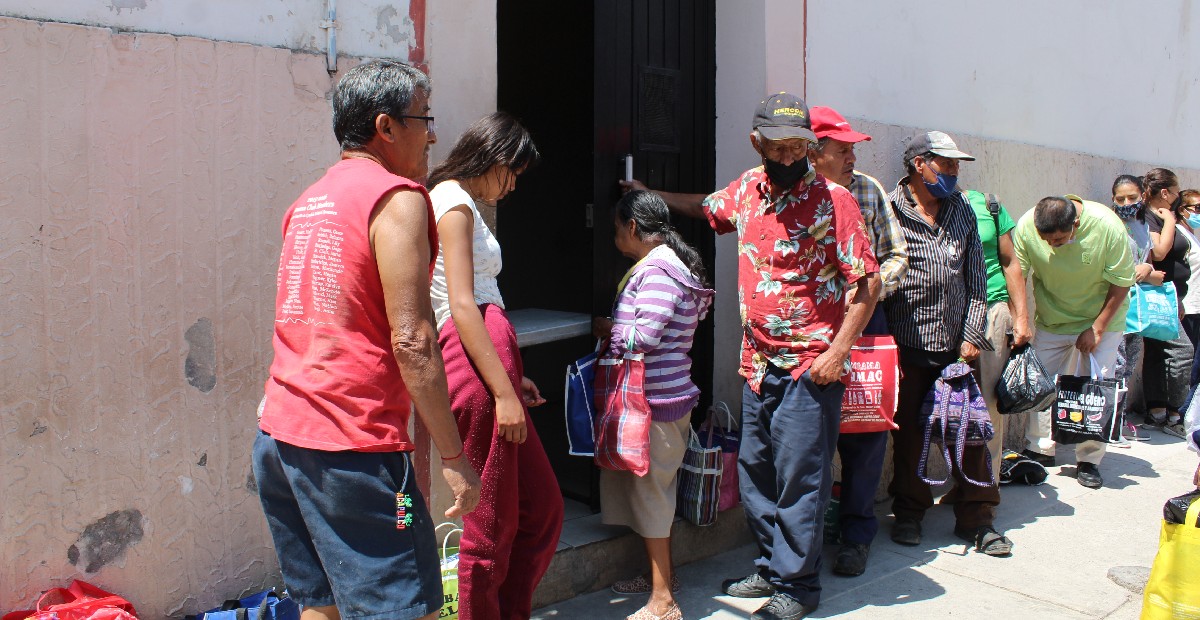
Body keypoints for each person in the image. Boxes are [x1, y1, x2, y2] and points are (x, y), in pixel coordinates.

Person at [623, 92, 881, 620]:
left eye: (797, 148)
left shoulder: (836, 201)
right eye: (777, 148)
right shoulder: (746, 191)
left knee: (800, 478)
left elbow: (868, 284)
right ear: (756, 142)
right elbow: (707, 207)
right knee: (757, 469)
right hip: (757, 365)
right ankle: (771, 565)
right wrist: (652, 195)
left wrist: (836, 353)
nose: (787, 159)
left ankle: (799, 585)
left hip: (810, 368)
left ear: (809, 146)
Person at [254, 60, 481, 620]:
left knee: (321, 607)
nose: (432, 134)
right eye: (424, 118)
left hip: (280, 443)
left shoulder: (308, 202)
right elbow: (413, 341)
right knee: (407, 608)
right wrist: (453, 455)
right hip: (357, 459)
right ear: (386, 126)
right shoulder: (398, 198)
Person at [426, 112, 563, 620]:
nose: (510, 187)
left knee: (540, 511)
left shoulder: (456, 202)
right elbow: (462, 305)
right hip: (474, 365)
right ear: (495, 158)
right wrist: (501, 392)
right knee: (492, 526)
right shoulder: (453, 202)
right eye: (512, 174)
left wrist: (510, 380)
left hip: (489, 366)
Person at [882, 131, 1010, 556]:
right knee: (911, 436)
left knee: (970, 434)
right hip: (906, 344)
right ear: (920, 164)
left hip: (958, 348)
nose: (954, 172)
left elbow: (977, 282)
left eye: (956, 166)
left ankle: (977, 519)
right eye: (946, 164)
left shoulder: (962, 211)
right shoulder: (889, 209)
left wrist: (973, 336)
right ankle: (910, 513)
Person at [592, 190, 714, 620]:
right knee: (651, 495)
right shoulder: (666, 265)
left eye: (615, 230)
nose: (614, 239)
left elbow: (644, 337)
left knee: (653, 497)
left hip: (654, 402)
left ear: (632, 227)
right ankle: (661, 579)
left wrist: (606, 328)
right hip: (658, 399)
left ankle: (663, 601)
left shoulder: (659, 270)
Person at [807, 106, 907, 577]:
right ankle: (804, 537)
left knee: (866, 431)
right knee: (808, 435)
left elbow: (896, 256)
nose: (851, 157)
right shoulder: (794, 192)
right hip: (809, 327)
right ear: (814, 152)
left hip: (867, 322)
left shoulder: (868, 189)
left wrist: (866, 289)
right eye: (841, 149)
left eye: (852, 149)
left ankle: (857, 534)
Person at [1013, 195, 1136, 488]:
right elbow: (1016, 272)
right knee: (1039, 382)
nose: (1053, 246)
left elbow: (1122, 282)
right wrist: (1022, 318)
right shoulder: (1027, 226)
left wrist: (1097, 328)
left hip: (1100, 318)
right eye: (1047, 241)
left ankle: (1089, 459)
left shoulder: (1108, 226)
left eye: (1059, 239)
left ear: (1076, 224)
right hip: (1053, 319)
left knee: (1094, 386)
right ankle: (1041, 448)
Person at [965, 189, 1032, 475]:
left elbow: (1010, 261)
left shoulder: (987, 203)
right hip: (947, 315)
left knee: (988, 403)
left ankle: (986, 487)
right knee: (951, 405)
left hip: (992, 310)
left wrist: (1021, 318)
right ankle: (963, 484)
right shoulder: (926, 208)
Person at [1142, 168, 1193, 437]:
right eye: (1174, 193)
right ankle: (1176, 413)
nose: (1176, 197)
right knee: (1182, 352)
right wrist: (1171, 220)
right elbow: (1159, 252)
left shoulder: (1162, 216)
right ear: (1165, 193)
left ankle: (1159, 410)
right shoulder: (1151, 218)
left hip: (1173, 293)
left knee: (1159, 351)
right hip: (1158, 295)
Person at [1108, 175, 1161, 434]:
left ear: (1142, 195)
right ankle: (1110, 422)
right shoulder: (1110, 225)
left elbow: (1148, 258)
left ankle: (1120, 417)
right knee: (1115, 365)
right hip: (1115, 304)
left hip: (1137, 306)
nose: (1126, 203)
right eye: (1120, 198)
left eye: (1131, 197)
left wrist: (1148, 267)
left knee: (1129, 363)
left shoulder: (1143, 225)